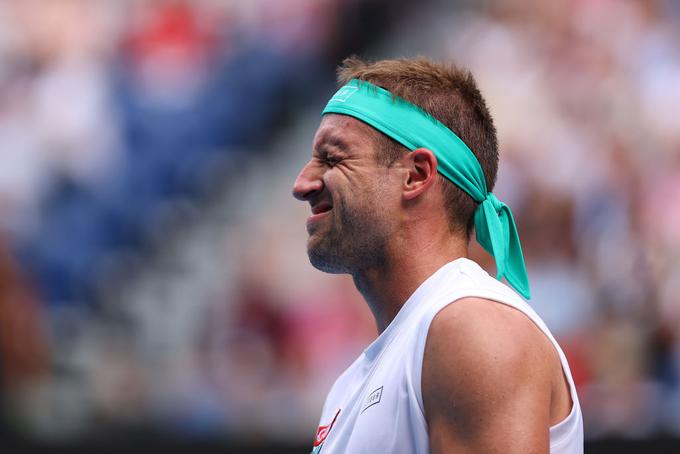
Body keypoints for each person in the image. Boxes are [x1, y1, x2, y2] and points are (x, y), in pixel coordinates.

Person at [292, 57, 583, 453]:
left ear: (416, 175)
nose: (302, 183)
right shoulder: (350, 384)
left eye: (333, 158)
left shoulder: (471, 326)